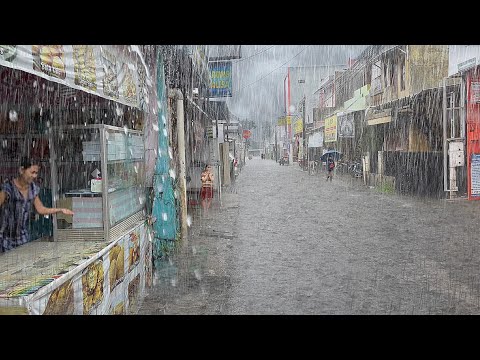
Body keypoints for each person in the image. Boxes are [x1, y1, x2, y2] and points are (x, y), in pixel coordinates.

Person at [0, 157, 74, 253]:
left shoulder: (32, 189)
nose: (34, 176)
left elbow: (41, 209)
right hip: (5, 238)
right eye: (32, 172)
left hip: (22, 237)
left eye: (36, 173)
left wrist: (60, 210)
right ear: (22, 170)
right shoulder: (8, 188)